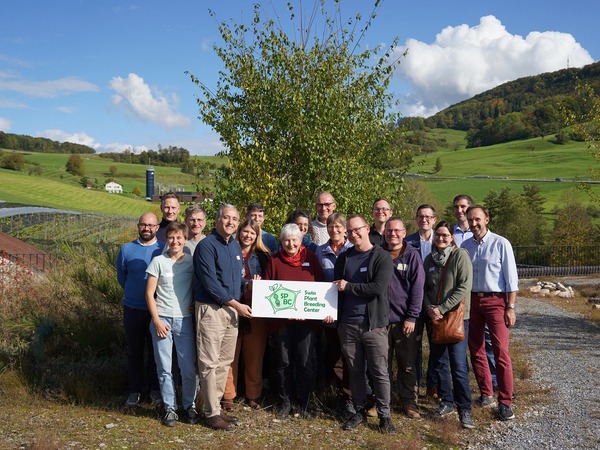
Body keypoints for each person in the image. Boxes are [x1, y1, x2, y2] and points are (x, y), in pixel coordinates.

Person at [334, 215, 396, 434]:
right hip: (348, 325)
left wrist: (349, 287)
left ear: (367, 229)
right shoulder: (344, 257)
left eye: (356, 230)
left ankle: (384, 416)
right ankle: (359, 410)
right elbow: (336, 290)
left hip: (373, 326)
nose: (353, 234)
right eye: (349, 232)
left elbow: (377, 288)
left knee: (380, 372)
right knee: (355, 371)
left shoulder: (381, 257)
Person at [193, 204, 252, 431]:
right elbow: (211, 285)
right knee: (209, 362)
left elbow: (236, 279)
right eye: (226, 218)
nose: (231, 222)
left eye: (235, 219)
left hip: (231, 310)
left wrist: (249, 284)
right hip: (212, 309)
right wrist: (237, 304)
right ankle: (210, 413)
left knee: (224, 361)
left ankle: (215, 407)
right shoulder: (206, 246)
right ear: (217, 220)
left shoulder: (235, 245)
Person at [263, 223, 326, 419]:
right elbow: (267, 293)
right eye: (286, 240)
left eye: (294, 240)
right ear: (281, 242)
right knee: (283, 362)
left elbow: (322, 288)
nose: (291, 244)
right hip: (283, 323)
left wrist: (319, 310)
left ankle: (304, 402)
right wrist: (285, 313)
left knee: (305, 362)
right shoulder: (274, 261)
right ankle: (285, 402)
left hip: (307, 323)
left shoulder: (312, 258)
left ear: (301, 241)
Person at [462, 205, 518, 421]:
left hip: (496, 301)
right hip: (473, 301)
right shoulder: (465, 245)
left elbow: (511, 278)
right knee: (475, 349)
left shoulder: (501, 243)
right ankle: (486, 394)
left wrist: (510, 307)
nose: (474, 223)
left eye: (477, 219)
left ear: (487, 219)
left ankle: (505, 401)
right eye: (470, 220)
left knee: (501, 351)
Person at [423, 221, 475, 429]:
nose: (441, 239)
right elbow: (424, 288)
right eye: (438, 235)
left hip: (457, 318)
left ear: (452, 236)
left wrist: (442, 308)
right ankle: (446, 401)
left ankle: (465, 408)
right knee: (440, 363)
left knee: (459, 365)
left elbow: (464, 286)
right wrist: (429, 308)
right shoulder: (429, 259)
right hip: (435, 318)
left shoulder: (460, 256)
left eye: (445, 235)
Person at [146, 222, 198, 427]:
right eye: (171, 238)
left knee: (187, 368)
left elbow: (199, 286)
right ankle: (170, 408)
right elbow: (149, 294)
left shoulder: (192, 262)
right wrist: (157, 320)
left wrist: (195, 302)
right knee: (165, 368)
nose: (175, 241)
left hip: (185, 320)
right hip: (163, 320)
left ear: (185, 240)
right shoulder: (158, 261)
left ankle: (189, 405)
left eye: (179, 238)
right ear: (166, 240)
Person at [116, 212, 163, 408]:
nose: (147, 228)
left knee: (155, 352)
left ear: (157, 228)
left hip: (157, 310)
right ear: (138, 226)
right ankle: (134, 391)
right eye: (143, 225)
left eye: (151, 225)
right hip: (133, 308)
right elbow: (122, 276)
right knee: (135, 352)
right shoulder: (126, 249)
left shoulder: (163, 249)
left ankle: (154, 390)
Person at [223, 219, 271, 411]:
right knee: (229, 355)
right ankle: (228, 396)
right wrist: (247, 282)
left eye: (252, 233)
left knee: (255, 354)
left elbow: (270, 281)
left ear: (257, 236)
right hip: (232, 307)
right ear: (239, 232)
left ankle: (253, 394)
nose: (248, 235)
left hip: (256, 311)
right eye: (245, 231)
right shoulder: (228, 251)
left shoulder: (263, 256)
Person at [453, 194, 498, 391]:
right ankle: (477, 384)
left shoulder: (492, 239)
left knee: (490, 344)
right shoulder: (453, 236)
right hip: (467, 300)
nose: (460, 211)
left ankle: (496, 381)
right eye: (457, 207)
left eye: (464, 207)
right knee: (471, 344)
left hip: (489, 299)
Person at [383, 217, 424, 419]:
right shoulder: (377, 253)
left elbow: (418, 289)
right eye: (389, 230)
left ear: (404, 232)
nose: (393, 234)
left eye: (397, 230)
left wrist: (412, 317)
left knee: (407, 364)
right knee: (382, 365)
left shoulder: (412, 255)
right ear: (384, 233)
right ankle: (383, 401)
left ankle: (409, 402)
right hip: (381, 321)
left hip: (405, 320)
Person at [315, 213, 354, 418]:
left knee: (351, 356)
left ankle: (352, 397)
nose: (335, 230)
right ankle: (343, 396)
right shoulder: (320, 251)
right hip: (328, 312)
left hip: (349, 312)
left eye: (339, 227)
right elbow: (317, 281)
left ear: (345, 228)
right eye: (331, 227)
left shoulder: (353, 250)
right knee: (336, 357)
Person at [405, 204, 440, 399]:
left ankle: (433, 384)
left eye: (428, 216)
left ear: (434, 219)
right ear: (416, 219)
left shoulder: (442, 238)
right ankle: (414, 384)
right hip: (415, 301)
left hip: (436, 301)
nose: (424, 220)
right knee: (414, 346)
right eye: (420, 216)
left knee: (437, 344)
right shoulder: (408, 241)